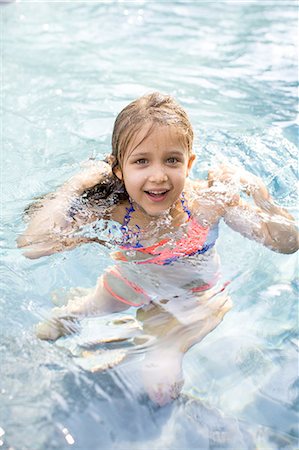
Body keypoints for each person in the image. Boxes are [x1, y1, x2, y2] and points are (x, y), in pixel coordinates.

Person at [17, 92, 298, 405]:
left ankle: (168, 346)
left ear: (189, 163)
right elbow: (34, 246)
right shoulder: (114, 208)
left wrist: (257, 192)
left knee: (161, 392)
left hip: (194, 297)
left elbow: (286, 244)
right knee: (52, 326)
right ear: (118, 170)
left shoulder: (208, 203)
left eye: (172, 160)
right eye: (141, 161)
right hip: (126, 285)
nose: (158, 175)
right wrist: (77, 184)